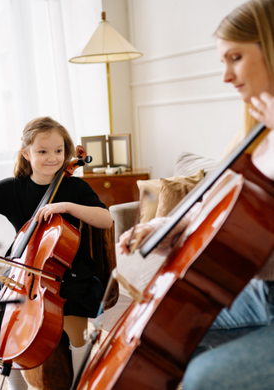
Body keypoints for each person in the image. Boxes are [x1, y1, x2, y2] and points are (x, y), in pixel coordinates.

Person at [119, 1, 274, 389]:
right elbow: (212, 207)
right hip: (261, 293)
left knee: (203, 379)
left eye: (235, 58)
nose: (225, 76)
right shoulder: (255, 133)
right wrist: (163, 229)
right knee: (155, 327)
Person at [0, 116, 113, 390]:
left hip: (68, 270)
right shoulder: (12, 187)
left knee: (76, 327)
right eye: (42, 151)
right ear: (26, 154)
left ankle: (80, 383)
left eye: (59, 151)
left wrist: (67, 207)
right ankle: (17, 385)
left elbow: (105, 219)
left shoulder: (74, 188)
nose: (52, 158)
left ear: (67, 152)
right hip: (22, 268)